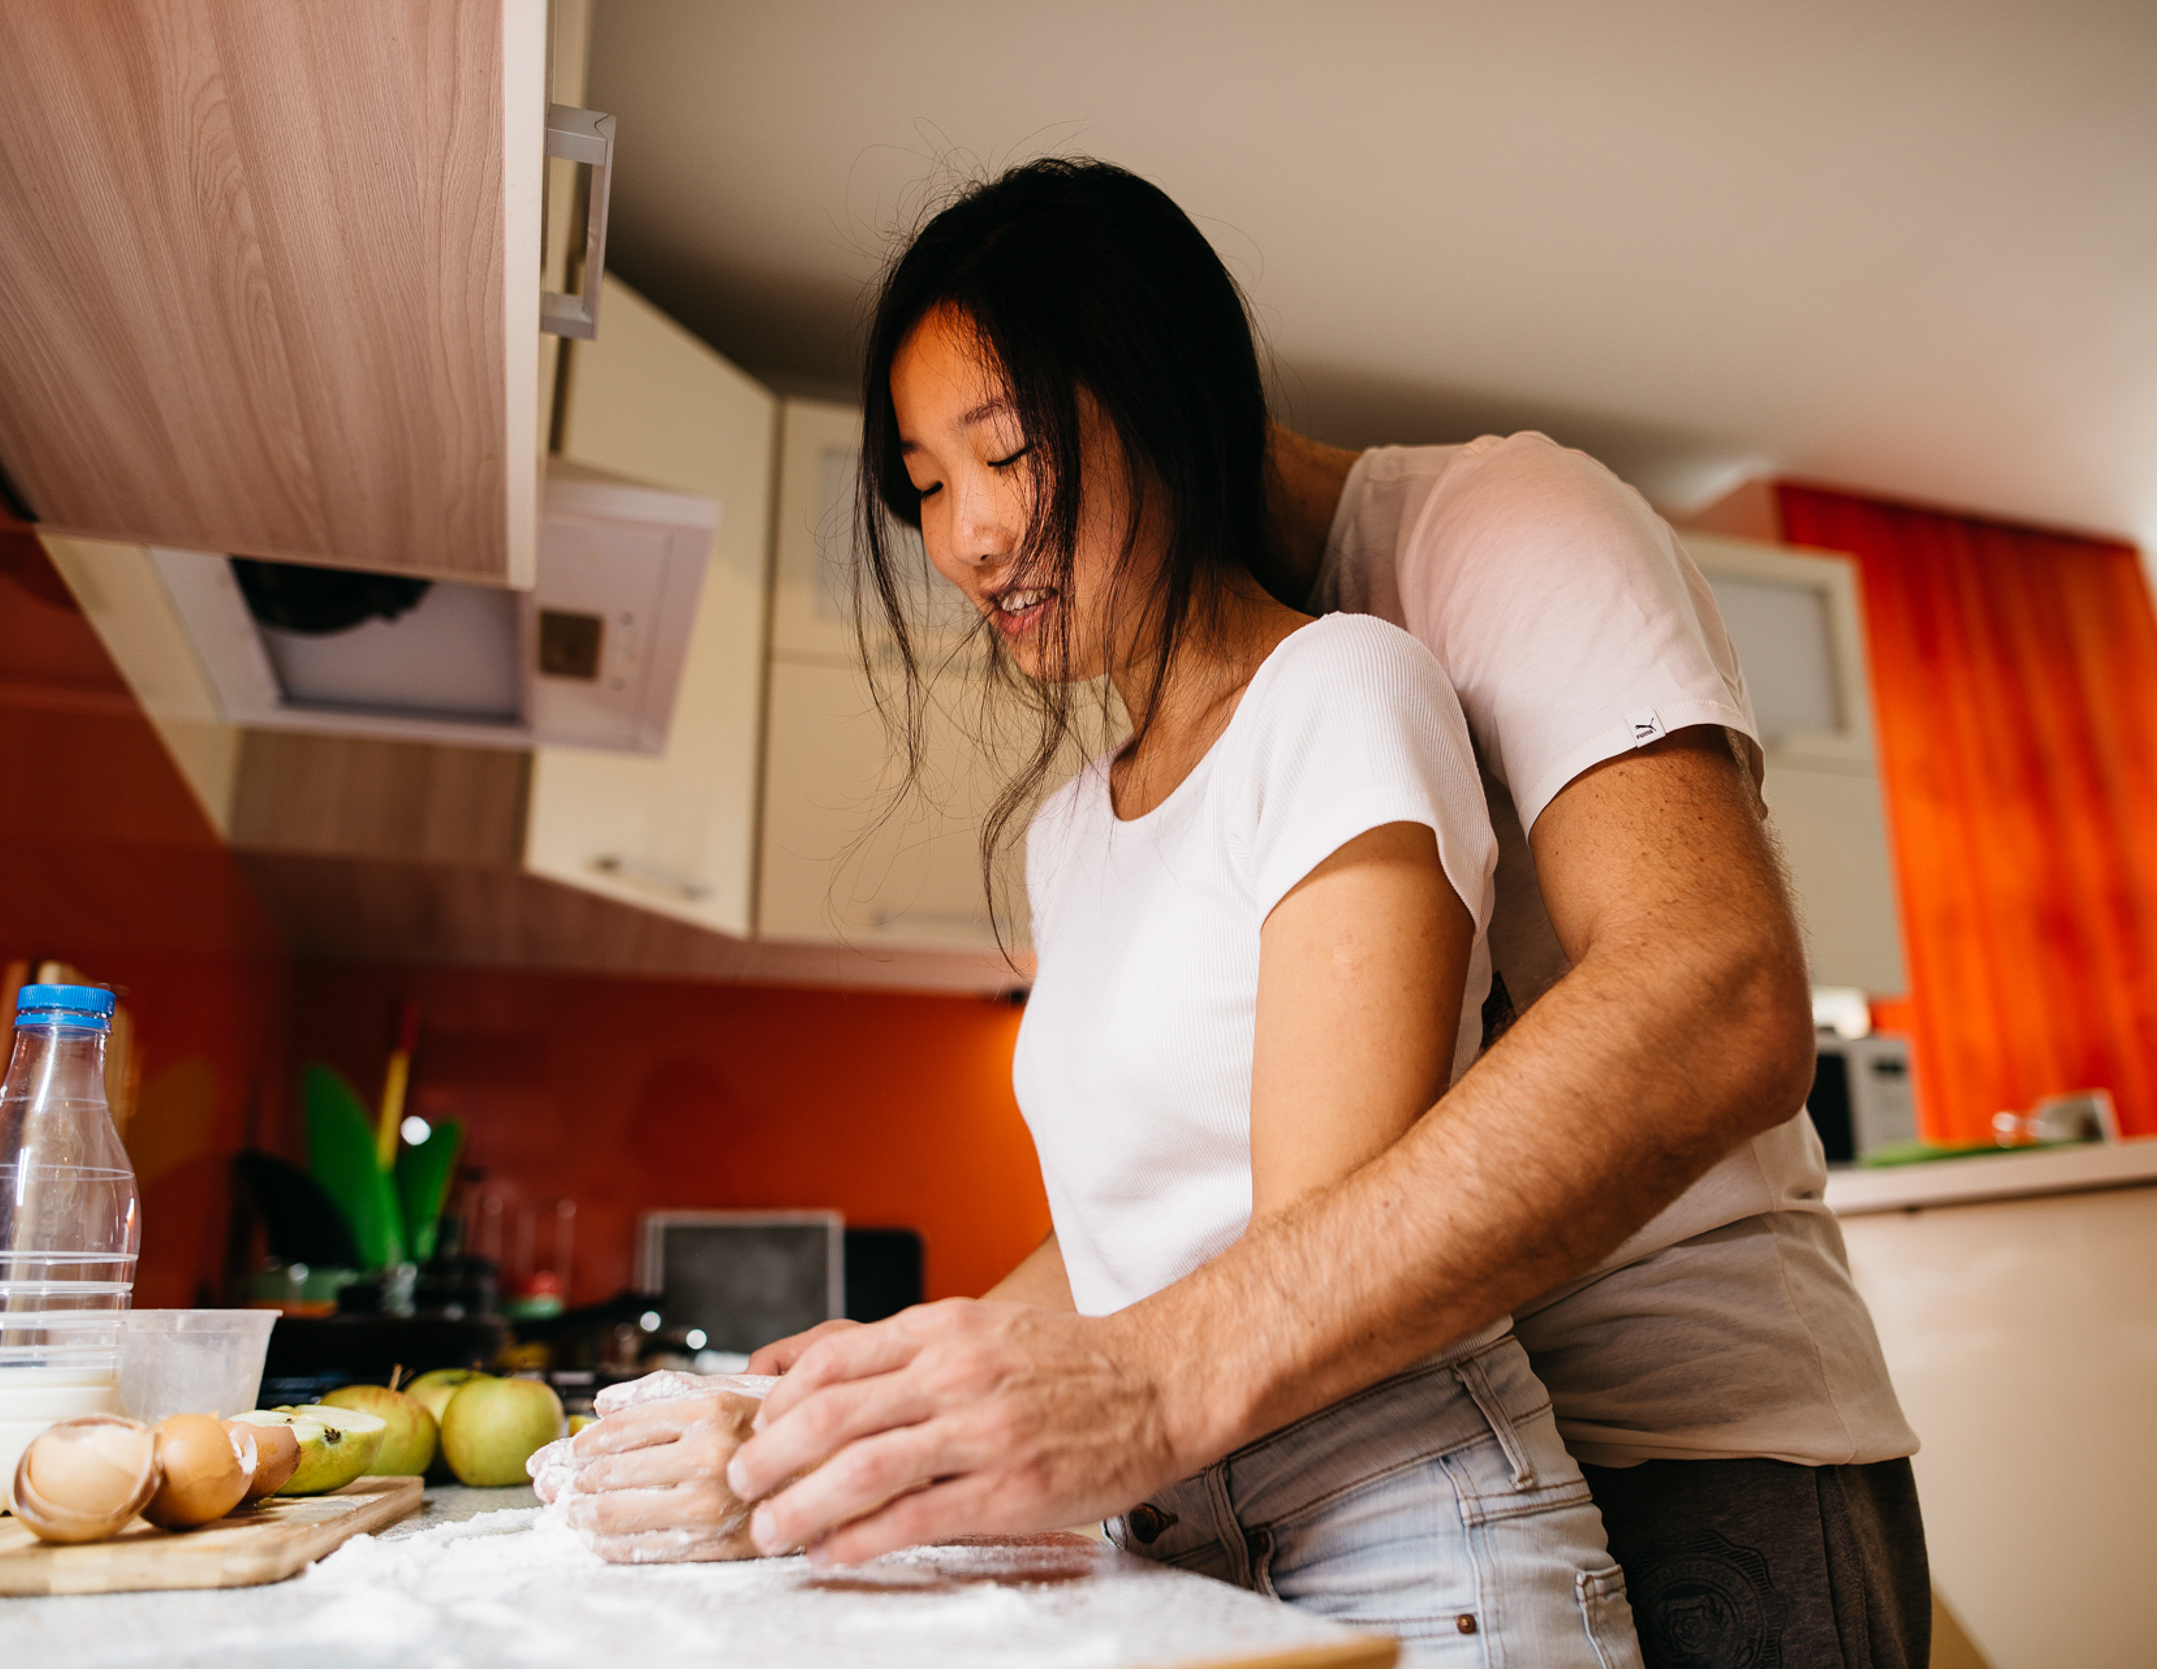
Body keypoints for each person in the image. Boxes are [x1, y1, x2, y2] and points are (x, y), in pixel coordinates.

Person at [569, 158, 1928, 1669]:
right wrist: (884, 1398)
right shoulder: (1108, 798)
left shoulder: (1490, 545)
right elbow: (1169, 1233)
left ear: (1166, 394)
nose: (963, 539)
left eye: (1008, 450)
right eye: (927, 484)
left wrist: (1142, 1387)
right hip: (1340, 1436)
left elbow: (1718, 990)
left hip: (1693, 1450)